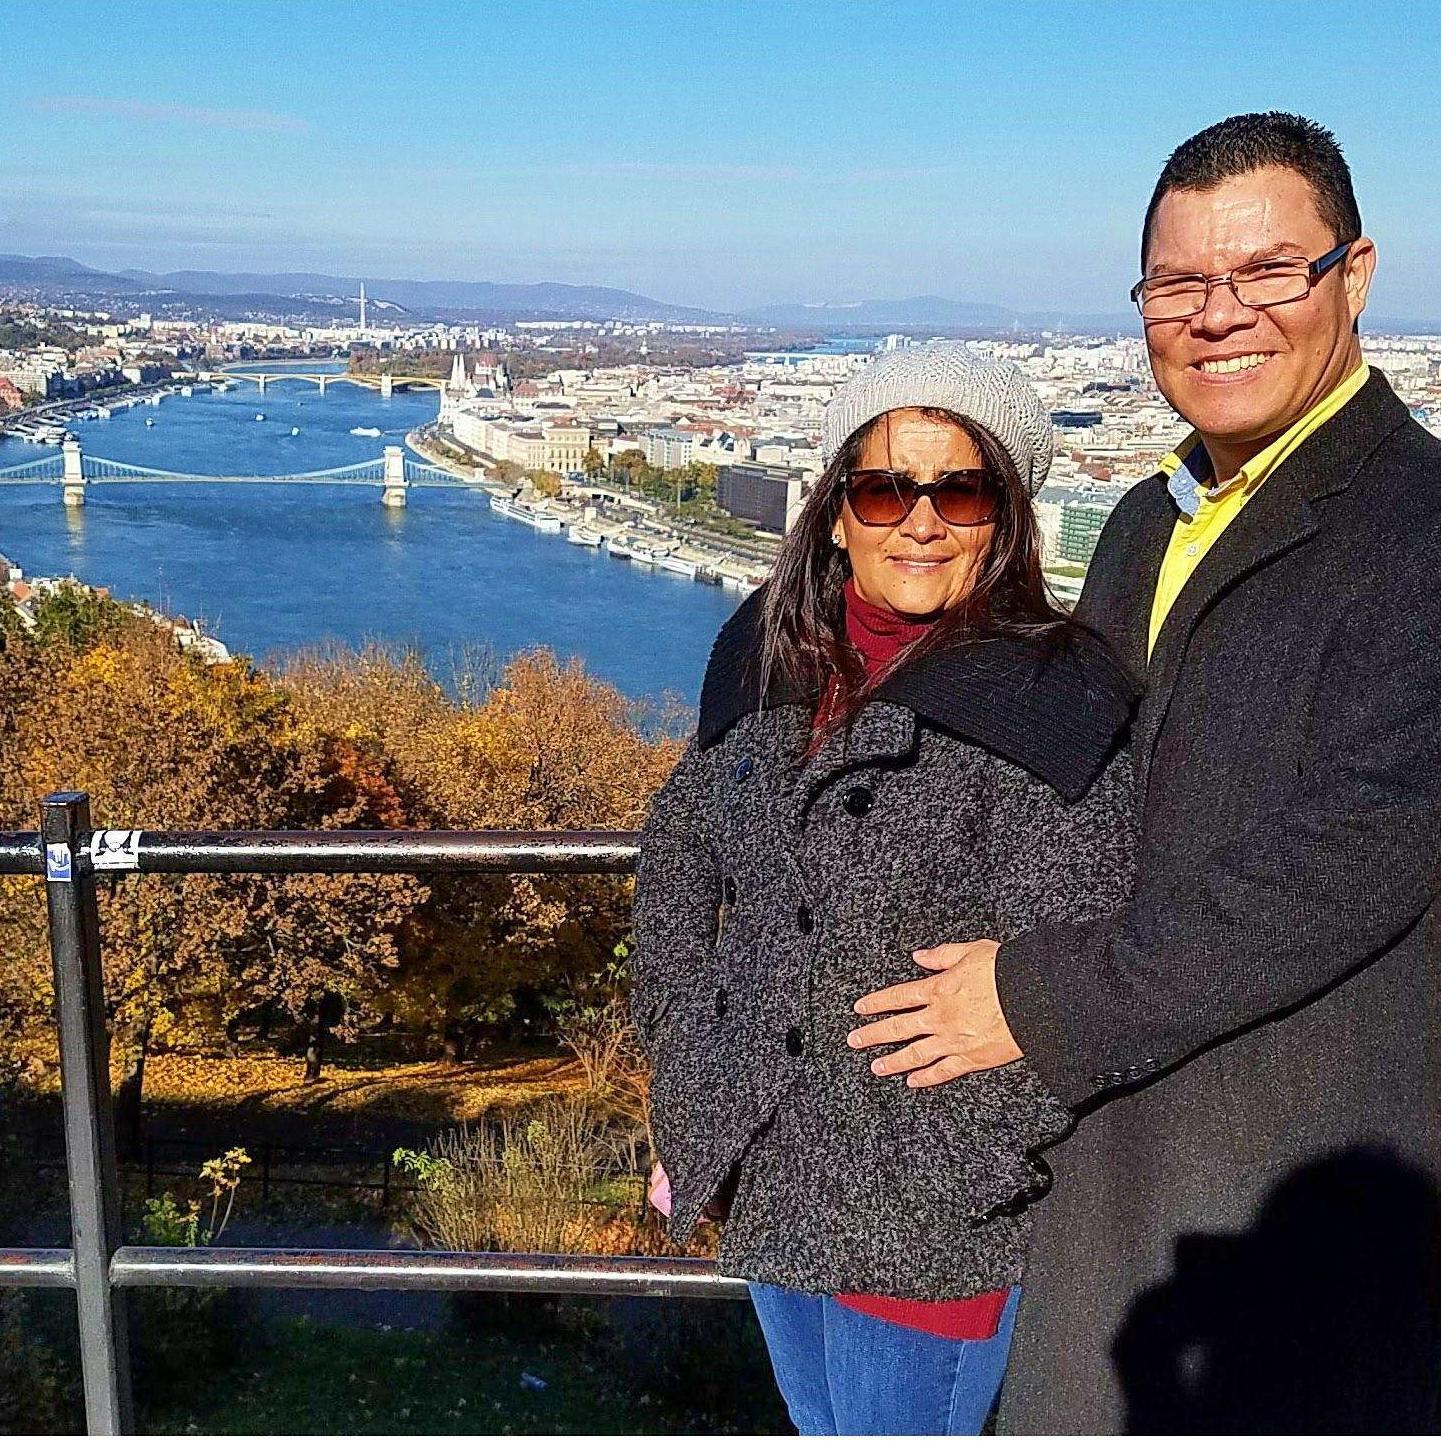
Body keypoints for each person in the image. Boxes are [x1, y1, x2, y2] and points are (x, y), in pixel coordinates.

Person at [849, 113, 1441, 1432]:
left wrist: (1039, 997)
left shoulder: (1418, 532)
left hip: (1275, 1206)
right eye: (1179, 283)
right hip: (1104, 1190)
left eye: (1269, 270)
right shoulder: (1145, 518)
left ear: (1355, 273)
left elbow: (1349, 858)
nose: (1219, 315)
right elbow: (1056, 780)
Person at [629, 343, 1138, 1435]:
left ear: (1004, 514)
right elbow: (679, 848)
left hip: (928, 1218)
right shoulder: (765, 651)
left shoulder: (1058, 693)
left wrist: (965, 1158)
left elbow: (1080, 954)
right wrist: (684, 1049)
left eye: (957, 487)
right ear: (837, 510)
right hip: (766, 1168)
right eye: (882, 486)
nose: (919, 519)